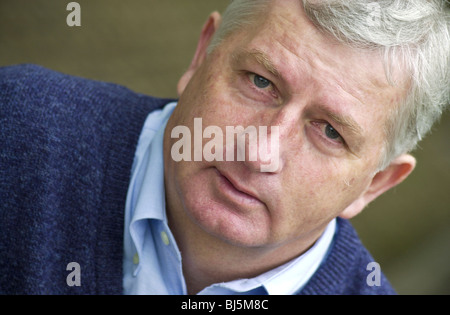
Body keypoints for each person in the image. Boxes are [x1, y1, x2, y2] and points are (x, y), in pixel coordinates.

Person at [0, 0, 448, 295]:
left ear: (374, 185)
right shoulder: (15, 129)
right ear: (201, 56)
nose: (261, 152)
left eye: (330, 132)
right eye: (260, 82)